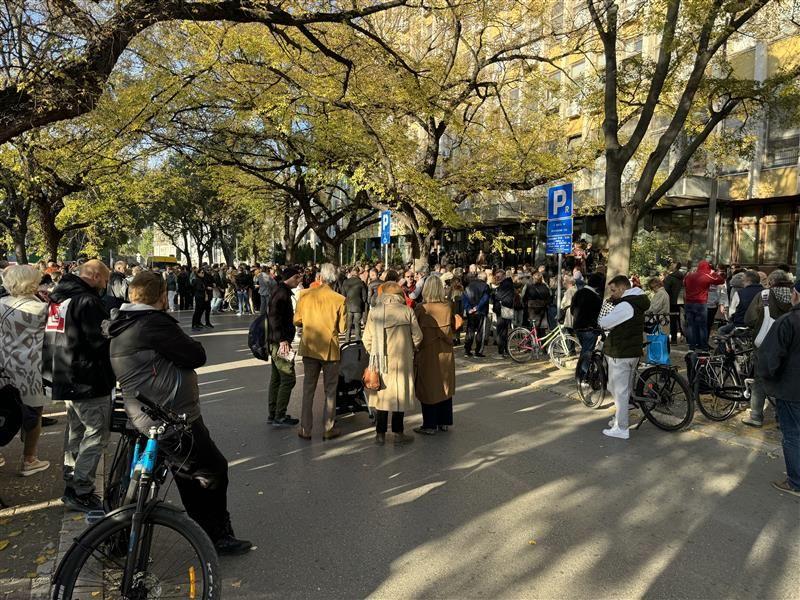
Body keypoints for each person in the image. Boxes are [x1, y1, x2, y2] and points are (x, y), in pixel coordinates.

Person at [103, 271, 252, 553]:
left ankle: (121, 537)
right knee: (212, 469)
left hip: (149, 410)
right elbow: (195, 354)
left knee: (183, 473)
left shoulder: (125, 321)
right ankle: (215, 534)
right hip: (169, 416)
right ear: (161, 296)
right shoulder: (152, 323)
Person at [43, 260, 114, 511]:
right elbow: (100, 341)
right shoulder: (87, 302)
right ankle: (82, 488)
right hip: (87, 378)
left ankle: (73, 482)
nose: (106, 285)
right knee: (95, 434)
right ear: (94, 276)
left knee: (76, 433)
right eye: (105, 280)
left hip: (64, 373)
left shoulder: (59, 297)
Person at [0, 265, 50, 476]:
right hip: (30, 368)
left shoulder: (1, 303)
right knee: (33, 413)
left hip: (3, 364)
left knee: (2, 408)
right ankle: (29, 459)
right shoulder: (41, 308)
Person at [363, 282, 423, 445]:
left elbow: (366, 339)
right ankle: (398, 433)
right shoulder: (407, 311)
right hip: (402, 360)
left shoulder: (374, 312)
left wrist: (374, 353)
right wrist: (411, 349)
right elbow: (418, 336)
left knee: (381, 396)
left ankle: (380, 434)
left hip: (380, 360)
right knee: (399, 396)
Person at [756, 280, 800, 497]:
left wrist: (767, 379)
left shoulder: (788, 321)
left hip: (792, 388)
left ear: (796, 295)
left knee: (792, 434)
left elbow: (770, 356)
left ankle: (796, 482)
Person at [293, 264, 347, 440]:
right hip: (330, 350)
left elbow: (297, 321)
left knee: (308, 389)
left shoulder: (305, 295)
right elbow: (343, 328)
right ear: (335, 279)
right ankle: (328, 428)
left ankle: (305, 429)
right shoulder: (339, 299)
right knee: (330, 390)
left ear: (320, 278)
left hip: (309, 347)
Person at [598, 275, 650, 440]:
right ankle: (619, 420)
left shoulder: (626, 305)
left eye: (613, 290)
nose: (612, 293)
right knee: (623, 390)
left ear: (622, 288)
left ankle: (621, 427)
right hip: (631, 350)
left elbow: (604, 322)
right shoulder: (636, 301)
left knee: (619, 391)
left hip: (620, 352)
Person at [742, 270, 793, 428]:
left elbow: (749, 319)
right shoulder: (795, 295)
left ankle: (756, 415)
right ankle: (781, 418)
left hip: (764, 344)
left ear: (770, 282)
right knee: (785, 378)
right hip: (791, 345)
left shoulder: (764, 295)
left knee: (760, 378)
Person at [413, 276, 456, 434]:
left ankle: (429, 425)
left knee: (428, 387)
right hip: (445, 351)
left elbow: (415, 332)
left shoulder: (421, 309)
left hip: (427, 352)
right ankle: (444, 421)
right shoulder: (448, 306)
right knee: (444, 385)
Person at [267, 268, 303, 427]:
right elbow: (274, 317)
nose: (299, 281)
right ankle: (279, 415)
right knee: (288, 378)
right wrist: (283, 340)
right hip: (280, 342)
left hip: (275, 341)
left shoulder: (280, 290)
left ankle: (273, 413)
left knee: (277, 378)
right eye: (297, 278)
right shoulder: (282, 293)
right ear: (292, 277)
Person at [682, 260, 725, 351]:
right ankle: (704, 346)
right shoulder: (706, 276)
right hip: (700, 304)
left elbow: (684, 285)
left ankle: (691, 346)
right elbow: (721, 280)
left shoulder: (689, 276)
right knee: (702, 326)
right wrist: (713, 273)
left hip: (688, 303)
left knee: (690, 325)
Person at [571, 272, 605, 377]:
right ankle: (582, 375)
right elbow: (599, 315)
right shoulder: (596, 297)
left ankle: (582, 373)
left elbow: (572, 310)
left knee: (585, 351)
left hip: (577, 327)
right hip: (589, 328)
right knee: (587, 353)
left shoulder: (578, 293)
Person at [462, 271, 490, 358]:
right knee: (480, 332)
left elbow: (464, 297)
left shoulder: (469, 285)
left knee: (470, 331)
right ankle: (478, 352)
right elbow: (485, 299)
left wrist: (468, 308)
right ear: (485, 278)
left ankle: (467, 350)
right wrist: (477, 308)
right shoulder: (485, 286)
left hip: (471, 312)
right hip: (481, 312)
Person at [492, 269, 515, 358]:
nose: (497, 278)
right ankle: (505, 350)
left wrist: (494, 292)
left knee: (501, 331)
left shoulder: (505, 284)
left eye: (499, 277)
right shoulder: (507, 283)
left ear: (504, 276)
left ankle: (501, 352)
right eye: (496, 277)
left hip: (503, 310)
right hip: (505, 309)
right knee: (504, 331)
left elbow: (499, 296)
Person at [341, 267, 367, 341]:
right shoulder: (361, 283)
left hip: (348, 306)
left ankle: (347, 339)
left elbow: (343, 295)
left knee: (348, 324)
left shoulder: (345, 282)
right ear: (358, 273)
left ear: (351, 273)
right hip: (358, 306)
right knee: (357, 324)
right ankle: (357, 341)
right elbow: (364, 297)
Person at [663, 262, 684, 345]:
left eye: (672, 265)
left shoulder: (670, 278)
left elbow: (666, 291)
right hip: (683, 301)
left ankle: (674, 339)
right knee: (683, 321)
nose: (671, 266)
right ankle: (688, 338)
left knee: (673, 320)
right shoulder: (683, 277)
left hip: (672, 302)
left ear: (675, 267)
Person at [191, 266, 210, 331]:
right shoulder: (197, 280)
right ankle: (194, 325)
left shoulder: (201, 279)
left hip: (201, 297)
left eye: (203, 273)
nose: (203, 274)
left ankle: (197, 323)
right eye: (202, 273)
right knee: (197, 311)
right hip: (199, 297)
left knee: (200, 311)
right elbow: (199, 288)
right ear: (198, 273)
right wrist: (206, 288)